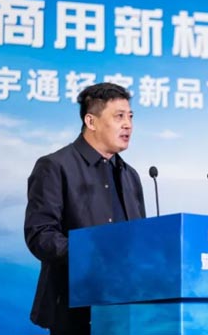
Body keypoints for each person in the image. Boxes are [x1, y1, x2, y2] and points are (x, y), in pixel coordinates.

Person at [24, 82, 146, 335]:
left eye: (130, 116)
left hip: (125, 308)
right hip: (74, 308)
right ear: (91, 121)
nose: (128, 125)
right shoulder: (54, 166)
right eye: (119, 116)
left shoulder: (130, 175)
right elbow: (40, 235)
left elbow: (139, 237)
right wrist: (93, 255)